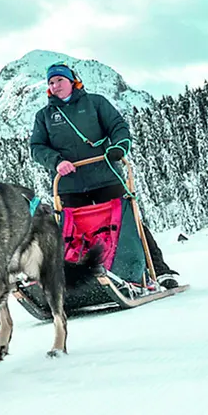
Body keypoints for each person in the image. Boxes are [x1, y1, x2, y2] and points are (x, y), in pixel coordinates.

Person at [29, 61, 180, 289]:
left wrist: (118, 147)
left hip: (106, 177)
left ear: (72, 81)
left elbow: (118, 126)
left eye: (59, 80)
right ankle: (79, 281)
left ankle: (158, 271)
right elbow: (37, 147)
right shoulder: (45, 116)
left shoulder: (95, 103)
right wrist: (57, 161)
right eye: (51, 82)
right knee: (75, 234)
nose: (55, 85)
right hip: (70, 186)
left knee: (129, 224)